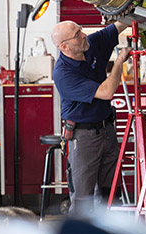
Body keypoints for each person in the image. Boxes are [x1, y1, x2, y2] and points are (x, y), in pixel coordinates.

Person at [51, 20, 131, 214]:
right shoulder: (63, 73)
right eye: (77, 35)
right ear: (64, 46)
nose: (84, 35)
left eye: (81, 30)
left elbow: (120, 25)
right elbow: (106, 91)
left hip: (107, 130)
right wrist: (119, 62)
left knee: (110, 193)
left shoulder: (91, 44)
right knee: (83, 199)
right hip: (83, 137)